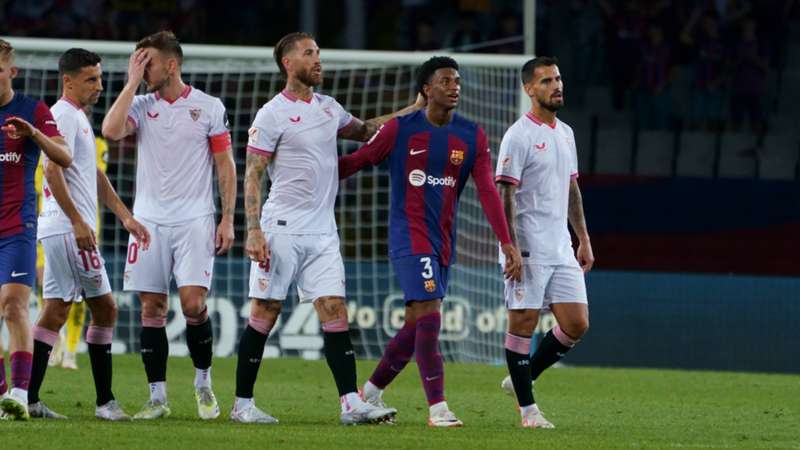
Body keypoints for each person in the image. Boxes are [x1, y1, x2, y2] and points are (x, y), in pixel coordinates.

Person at [234, 32, 422, 425]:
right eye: (309, 53)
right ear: (288, 63)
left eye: (319, 52)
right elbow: (253, 174)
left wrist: (413, 109)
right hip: (281, 226)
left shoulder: (328, 108)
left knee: (335, 309)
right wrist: (253, 229)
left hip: (323, 231)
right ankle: (242, 404)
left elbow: (370, 129)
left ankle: (350, 403)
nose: (318, 59)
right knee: (266, 311)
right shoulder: (272, 113)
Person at [338, 56, 523, 427]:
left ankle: (370, 392)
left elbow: (487, 191)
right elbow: (358, 160)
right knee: (430, 317)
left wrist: (506, 241)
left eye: (457, 80)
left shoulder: (472, 135)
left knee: (416, 323)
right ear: (426, 89)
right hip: (409, 236)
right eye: (445, 80)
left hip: (442, 242)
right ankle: (437, 408)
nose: (454, 86)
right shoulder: (399, 129)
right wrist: (305, 174)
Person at [101, 31, 237, 420]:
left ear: (171, 65)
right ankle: (157, 397)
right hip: (149, 221)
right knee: (152, 306)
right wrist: (130, 82)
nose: (143, 72)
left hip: (195, 219)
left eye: (148, 64)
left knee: (194, 305)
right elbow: (110, 131)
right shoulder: (141, 104)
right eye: (137, 65)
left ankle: (203, 382)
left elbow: (225, 165)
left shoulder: (208, 106)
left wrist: (227, 218)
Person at [27, 48, 150, 421]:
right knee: (105, 307)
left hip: (62, 228)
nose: (99, 86)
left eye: (100, 78)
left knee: (56, 310)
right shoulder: (62, 116)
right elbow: (51, 171)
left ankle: (26, 397)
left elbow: (92, 174)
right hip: (68, 229)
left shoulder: (76, 117)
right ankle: (105, 402)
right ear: (68, 81)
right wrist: (79, 221)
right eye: (91, 79)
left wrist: (125, 216)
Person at [495, 56, 594, 429]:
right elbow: (505, 193)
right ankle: (528, 412)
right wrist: (510, 246)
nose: (557, 85)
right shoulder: (518, 135)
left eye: (558, 78)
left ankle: (523, 376)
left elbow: (571, 188)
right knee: (523, 321)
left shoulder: (565, 133)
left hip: (561, 246)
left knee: (577, 323)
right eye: (547, 81)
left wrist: (582, 238)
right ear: (529, 89)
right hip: (528, 245)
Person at [0, 38, 73, 421]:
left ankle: (20, 392)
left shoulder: (33, 110)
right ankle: (3, 399)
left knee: (14, 305)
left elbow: (63, 156)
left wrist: (33, 134)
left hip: (17, 226)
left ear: (12, 72)